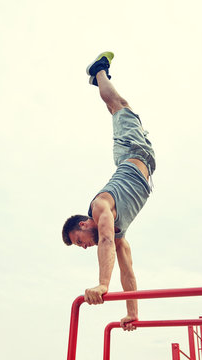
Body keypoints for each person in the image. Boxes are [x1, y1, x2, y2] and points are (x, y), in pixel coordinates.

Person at [62, 51, 156, 332]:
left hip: (133, 151)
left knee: (119, 105)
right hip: (132, 157)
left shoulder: (100, 206)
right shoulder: (119, 234)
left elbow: (103, 242)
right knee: (116, 109)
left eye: (80, 241)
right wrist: (132, 312)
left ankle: (99, 71)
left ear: (84, 223)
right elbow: (127, 268)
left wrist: (103, 284)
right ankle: (98, 78)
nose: (84, 246)